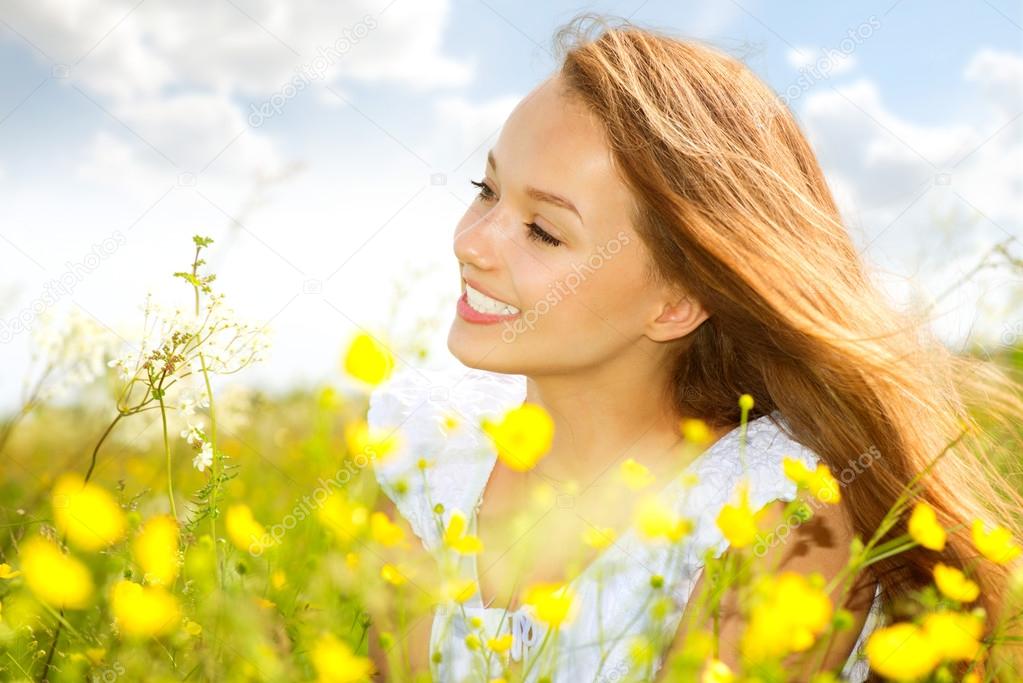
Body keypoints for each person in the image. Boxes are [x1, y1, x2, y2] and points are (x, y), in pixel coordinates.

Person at [367, 13, 1023, 682]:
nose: (469, 243)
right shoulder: (432, 449)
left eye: (542, 231)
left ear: (676, 301)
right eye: (487, 190)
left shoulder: (778, 517)